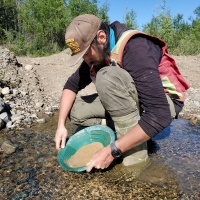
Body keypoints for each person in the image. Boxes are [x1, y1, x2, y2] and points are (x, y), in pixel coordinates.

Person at [54, 14, 189, 173]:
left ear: (101, 37)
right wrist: (60, 125)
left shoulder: (135, 48)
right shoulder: (96, 52)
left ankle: (135, 150)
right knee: (76, 111)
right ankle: (132, 131)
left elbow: (160, 114)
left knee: (106, 77)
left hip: (164, 102)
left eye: (85, 54)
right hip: (135, 99)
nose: (85, 60)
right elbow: (71, 85)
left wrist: (113, 150)